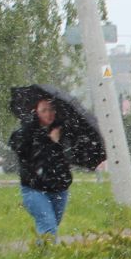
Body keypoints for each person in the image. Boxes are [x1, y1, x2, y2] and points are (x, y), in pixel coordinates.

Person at [8, 93, 99, 240]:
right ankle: (49, 257)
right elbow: (25, 152)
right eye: (44, 110)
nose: (49, 114)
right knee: (48, 225)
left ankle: (41, 256)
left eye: (51, 109)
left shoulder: (64, 131)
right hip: (35, 189)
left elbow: (69, 157)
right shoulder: (27, 132)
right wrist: (50, 141)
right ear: (36, 112)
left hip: (59, 189)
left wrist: (60, 143)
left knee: (50, 227)